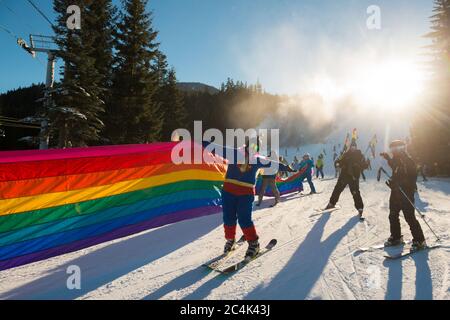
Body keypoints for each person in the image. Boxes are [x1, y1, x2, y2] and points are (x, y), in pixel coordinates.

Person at [213, 143, 295, 259]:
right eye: (251, 146)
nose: (252, 149)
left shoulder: (257, 160)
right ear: (246, 146)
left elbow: (273, 163)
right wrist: (197, 142)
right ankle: (230, 240)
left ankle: (254, 244)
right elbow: (215, 148)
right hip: (229, 192)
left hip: (245, 194)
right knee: (228, 218)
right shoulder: (234, 153)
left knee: (244, 219)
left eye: (256, 148)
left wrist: (286, 167)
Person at [381, 140, 426, 250]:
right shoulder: (396, 159)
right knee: (393, 214)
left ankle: (420, 240)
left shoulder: (408, 161)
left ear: (402, 148)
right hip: (395, 192)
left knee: (409, 216)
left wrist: (400, 184)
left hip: (406, 192)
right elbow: (394, 167)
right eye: (392, 149)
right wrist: (388, 159)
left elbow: (412, 177)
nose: (394, 151)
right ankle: (396, 237)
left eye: (396, 149)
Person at [325, 141, 367, 217]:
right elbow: (339, 162)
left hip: (353, 177)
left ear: (356, 147)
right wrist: (337, 163)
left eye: (354, 147)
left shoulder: (360, 155)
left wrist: (360, 165)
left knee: (355, 192)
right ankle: (331, 203)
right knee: (337, 189)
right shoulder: (345, 154)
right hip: (344, 176)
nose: (353, 148)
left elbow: (365, 165)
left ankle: (360, 208)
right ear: (350, 147)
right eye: (352, 147)